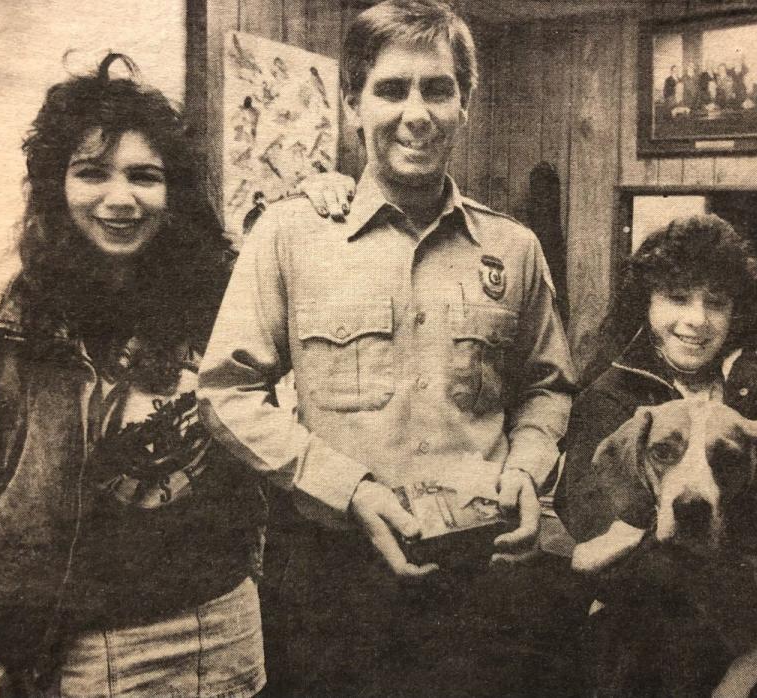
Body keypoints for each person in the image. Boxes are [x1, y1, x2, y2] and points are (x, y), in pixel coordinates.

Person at [0, 54, 351, 698]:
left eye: (145, 176)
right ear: (55, 188)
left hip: (229, 624)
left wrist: (319, 202)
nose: (121, 198)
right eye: (92, 173)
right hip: (91, 653)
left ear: (173, 195)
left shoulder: (216, 304)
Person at [197, 1, 577, 695]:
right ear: (352, 105)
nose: (417, 112)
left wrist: (525, 472)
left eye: (438, 88)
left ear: (465, 105)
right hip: (331, 587)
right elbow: (226, 391)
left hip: (482, 581)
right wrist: (349, 491)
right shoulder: (291, 237)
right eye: (391, 89)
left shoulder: (514, 250)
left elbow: (548, 387)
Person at [556, 214, 757, 696]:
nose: (697, 320)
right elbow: (604, 535)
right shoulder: (612, 396)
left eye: (715, 303)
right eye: (678, 298)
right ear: (647, 302)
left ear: (736, 311)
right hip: (683, 620)